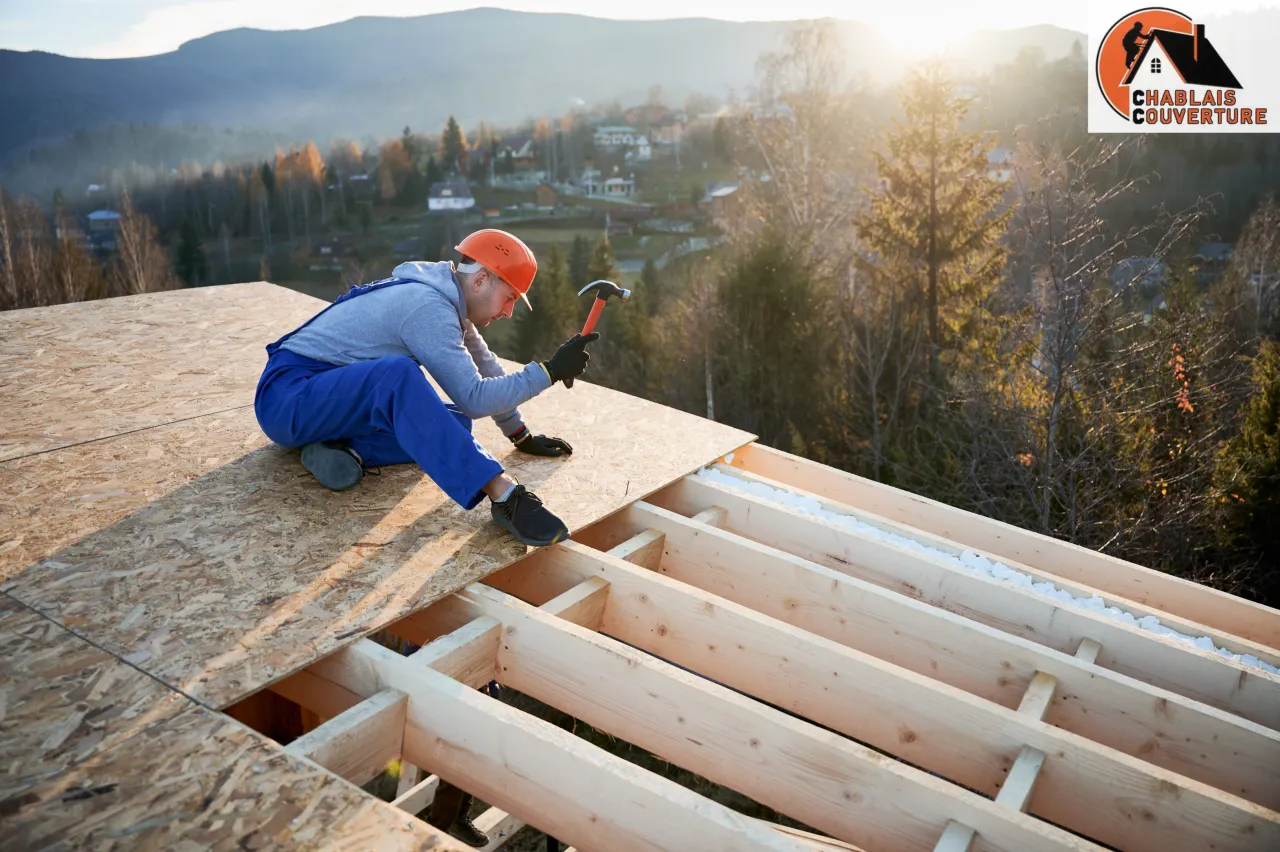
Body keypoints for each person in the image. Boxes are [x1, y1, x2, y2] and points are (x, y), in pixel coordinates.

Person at [254, 229, 599, 547]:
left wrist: (520, 434)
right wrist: (550, 371)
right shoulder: (427, 306)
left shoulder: (447, 298)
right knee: (398, 375)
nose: (509, 312)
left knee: (454, 425)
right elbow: (475, 397)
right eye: (509, 297)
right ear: (480, 280)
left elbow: (486, 365)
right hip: (287, 398)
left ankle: (346, 450)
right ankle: (504, 496)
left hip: (326, 398)